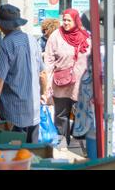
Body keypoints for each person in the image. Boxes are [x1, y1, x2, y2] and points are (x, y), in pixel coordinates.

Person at [74, 1, 115, 156]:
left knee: (100, 159)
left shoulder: (106, 51)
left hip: (104, 119)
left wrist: (103, 94)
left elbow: (109, 78)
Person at [0, 4, 45, 144]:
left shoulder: (5, 45)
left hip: (13, 112)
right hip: (34, 110)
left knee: (15, 155)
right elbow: (43, 73)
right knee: (32, 155)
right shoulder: (33, 41)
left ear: (2, 25)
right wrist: (43, 93)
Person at [44, 8, 91, 146]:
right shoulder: (55, 36)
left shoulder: (86, 36)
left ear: (76, 21)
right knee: (61, 115)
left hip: (82, 83)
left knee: (82, 113)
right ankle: (62, 141)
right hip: (61, 83)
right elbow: (48, 60)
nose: (65, 22)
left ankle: (79, 141)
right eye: (64, 19)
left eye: (68, 20)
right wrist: (46, 82)